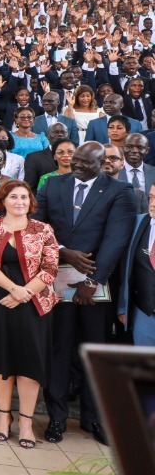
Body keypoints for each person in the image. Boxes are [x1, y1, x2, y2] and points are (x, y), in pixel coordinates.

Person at [34, 141, 135, 445]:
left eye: (84, 163)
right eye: (74, 160)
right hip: (57, 281)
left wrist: (94, 280)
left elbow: (117, 238)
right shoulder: (53, 184)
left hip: (96, 287)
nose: (76, 165)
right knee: (59, 351)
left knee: (95, 354)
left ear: (102, 163)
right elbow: (39, 227)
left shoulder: (120, 191)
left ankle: (94, 418)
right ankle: (57, 418)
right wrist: (64, 251)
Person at [0, 180, 59, 450]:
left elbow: (51, 267)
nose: (20, 202)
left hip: (35, 304)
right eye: (14, 197)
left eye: (24, 197)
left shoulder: (43, 230)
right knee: (1, 359)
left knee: (29, 363)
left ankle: (26, 422)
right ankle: (3, 418)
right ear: (2, 200)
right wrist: (13, 289)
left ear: (31, 202)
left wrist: (25, 292)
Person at [118, 184, 155, 346]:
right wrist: (122, 307)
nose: (153, 203)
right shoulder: (137, 224)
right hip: (144, 313)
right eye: (152, 197)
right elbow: (123, 267)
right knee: (145, 368)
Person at [119, 133, 155, 213]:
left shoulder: (153, 172)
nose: (134, 151)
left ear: (147, 150)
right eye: (129, 147)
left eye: (140, 147)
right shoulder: (114, 172)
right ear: (122, 148)